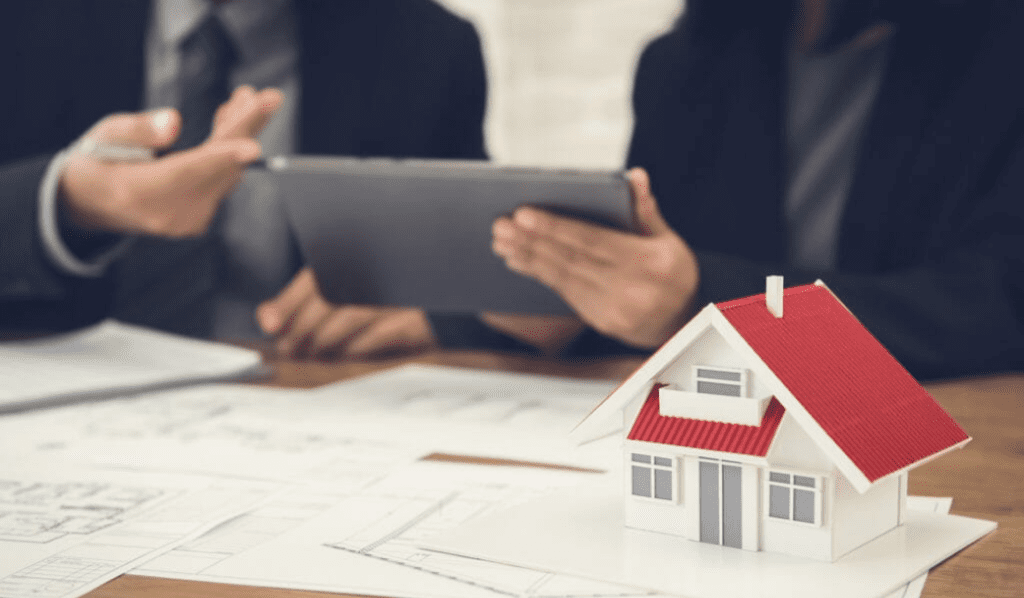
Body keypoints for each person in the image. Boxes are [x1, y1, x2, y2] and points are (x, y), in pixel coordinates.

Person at [485, 0, 1024, 380]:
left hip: (942, 429)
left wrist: (701, 301)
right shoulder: (679, 64)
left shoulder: (1000, 53)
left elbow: (996, 305)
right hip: (723, 423)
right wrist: (584, 309)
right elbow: (656, 289)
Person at [0, 0, 486, 357]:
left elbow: (486, 264)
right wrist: (63, 199)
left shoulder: (428, 47)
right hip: (57, 394)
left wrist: (431, 310)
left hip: (301, 400)